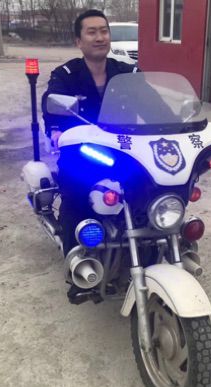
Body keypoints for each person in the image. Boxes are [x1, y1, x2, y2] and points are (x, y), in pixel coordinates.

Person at [41, 9, 138, 259]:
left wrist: (176, 117)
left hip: (123, 150)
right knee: (76, 193)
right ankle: (77, 258)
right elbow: (51, 104)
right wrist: (56, 130)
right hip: (82, 152)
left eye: (104, 31)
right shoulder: (66, 75)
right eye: (92, 32)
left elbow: (152, 102)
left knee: (149, 188)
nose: (100, 37)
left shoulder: (128, 73)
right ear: (79, 41)